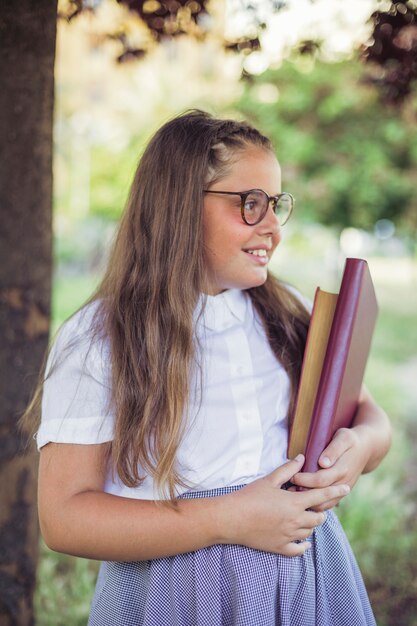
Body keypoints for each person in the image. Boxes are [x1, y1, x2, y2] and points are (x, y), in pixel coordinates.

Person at [30, 110, 391, 626]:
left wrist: (360, 448)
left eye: (276, 206)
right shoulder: (99, 339)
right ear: (178, 206)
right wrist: (226, 520)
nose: (273, 227)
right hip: (173, 594)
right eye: (250, 204)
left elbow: (372, 420)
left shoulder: (285, 311)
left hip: (307, 582)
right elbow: (63, 518)